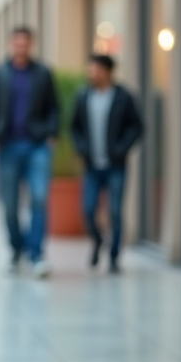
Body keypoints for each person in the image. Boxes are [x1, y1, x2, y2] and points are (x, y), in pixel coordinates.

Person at [0, 27, 59, 278]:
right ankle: (16, 249)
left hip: (37, 147)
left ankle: (36, 254)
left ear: (31, 45)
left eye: (25, 43)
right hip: (7, 147)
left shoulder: (43, 74)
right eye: (17, 42)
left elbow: (54, 108)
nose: (21, 47)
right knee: (10, 204)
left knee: (39, 198)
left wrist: (51, 134)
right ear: (11, 44)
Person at [70, 54, 143, 274]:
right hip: (92, 165)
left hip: (116, 165)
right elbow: (75, 127)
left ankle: (113, 258)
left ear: (107, 71)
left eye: (95, 69)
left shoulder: (123, 96)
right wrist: (81, 148)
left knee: (115, 211)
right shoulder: (83, 96)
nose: (91, 73)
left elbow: (137, 127)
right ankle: (98, 240)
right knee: (88, 209)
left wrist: (122, 148)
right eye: (89, 69)